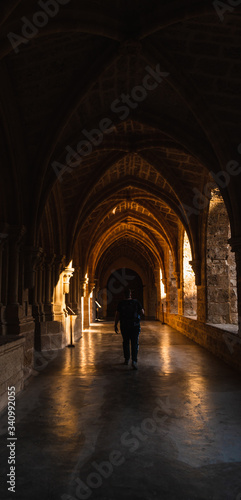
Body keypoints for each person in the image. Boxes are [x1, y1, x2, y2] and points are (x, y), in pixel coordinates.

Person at [114, 288, 144, 369]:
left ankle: (127, 359)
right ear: (130, 294)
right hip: (135, 326)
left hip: (124, 325)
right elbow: (142, 312)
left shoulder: (121, 303)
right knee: (135, 343)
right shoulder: (136, 302)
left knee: (126, 342)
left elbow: (117, 315)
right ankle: (134, 361)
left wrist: (115, 324)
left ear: (124, 295)